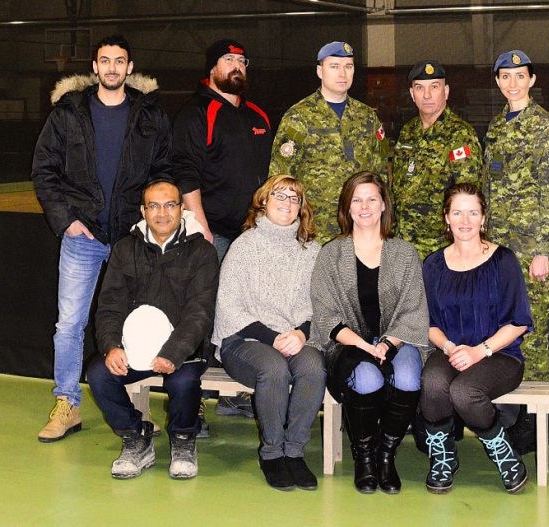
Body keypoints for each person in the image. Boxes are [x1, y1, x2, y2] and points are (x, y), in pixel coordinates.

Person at [31, 34, 171, 442]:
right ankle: (67, 403)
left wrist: (151, 223)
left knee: (140, 321)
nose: (112, 67)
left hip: (133, 237)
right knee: (70, 324)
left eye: (120, 61)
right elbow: (44, 171)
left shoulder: (149, 115)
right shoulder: (69, 113)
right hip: (82, 236)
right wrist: (66, 221)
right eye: (105, 60)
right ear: (94, 67)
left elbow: (163, 171)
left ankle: (132, 405)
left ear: (130, 68)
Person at [86, 179, 219, 480]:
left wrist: (173, 352)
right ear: (143, 211)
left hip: (183, 350)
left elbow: (200, 311)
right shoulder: (125, 249)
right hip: (134, 350)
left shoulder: (202, 252)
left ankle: (184, 439)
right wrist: (110, 346)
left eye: (170, 204)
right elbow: (109, 306)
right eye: (154, 206)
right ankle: (136, 436)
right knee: (98, 374)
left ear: (181, 208)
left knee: (184, 383)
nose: (162, 213)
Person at [306, 172, 428, 494]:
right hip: (348, 343)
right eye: (356, 200)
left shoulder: (404, 253)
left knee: (407, 379)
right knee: (368, 379)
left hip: (397, 339)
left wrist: (387, 343)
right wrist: (365, 345)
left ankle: (385, 455)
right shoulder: (331, 254)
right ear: (346, 208)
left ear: (384, 205)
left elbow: (413, 311)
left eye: (372, 198)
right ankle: (363, 457)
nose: (364, 206)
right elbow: (325, 314)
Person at [172, 38, 273, 423]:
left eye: (242, 61)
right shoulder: (197, 112)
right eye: (229, 60)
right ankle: (193, 400)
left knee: (246, 315)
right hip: (212, 235)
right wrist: (200, 226)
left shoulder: (258, 116)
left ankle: (236, 393)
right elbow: (185, 170)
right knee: (202, 315)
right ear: (212, 68)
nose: (237, 67)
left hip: (252, 237)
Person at [212, 176, 324, 491]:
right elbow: (229, 307)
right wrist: (272, 338)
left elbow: (323, 306)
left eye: (295, 198)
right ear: (264, 200)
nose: (288, 203)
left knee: (314, 367)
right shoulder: (244, 246)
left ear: (302, 207)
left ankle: (294, 451)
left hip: (297, 337)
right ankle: (272, 453)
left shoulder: (312, 250)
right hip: (245, 340)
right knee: (274, 369)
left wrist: (302, 334)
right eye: (280, 195)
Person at [421, 183, 533, 494]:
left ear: (483, 218)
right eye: (457, 212)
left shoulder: (503, 261)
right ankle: (443, 456)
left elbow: (519, 322)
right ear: (446, 218)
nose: (465, 220)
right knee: (431, 383)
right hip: (451, 351)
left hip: (500, 354)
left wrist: (479, 352)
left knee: (465, 391)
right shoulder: (433, 265)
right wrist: (448, 347)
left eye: (473, 212)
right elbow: (428, 323)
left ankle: (504, 454)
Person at [483, 50, 549, 383]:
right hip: (498, 250)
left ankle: (534, 428)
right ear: (498, 82)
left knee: (532, 334)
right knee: (500, 332)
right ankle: (506, 412)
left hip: (531, 251)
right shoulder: (496, 126)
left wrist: (544, 251)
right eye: (505, 76)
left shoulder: (547, 127)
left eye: (520, 76)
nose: (512, 83)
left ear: (532, 79)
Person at [269, 41, 389, 242]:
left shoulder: (367, 117)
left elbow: (380, 174)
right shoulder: (299, 117)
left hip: (359, 229)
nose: (342, 74)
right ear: (320, 71)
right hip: (314, 233)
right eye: (334, 66)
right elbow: (280, 177)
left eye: (348, 67)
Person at [392, 59, 482, 257]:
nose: (427, 95)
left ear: (446, 91)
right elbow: (397, 187)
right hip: (403, 243)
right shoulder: (408, 131)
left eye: (434, 87)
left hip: (440, 247)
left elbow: (468, 196)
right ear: (411, 94)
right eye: (419, 88)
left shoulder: (460, 135)